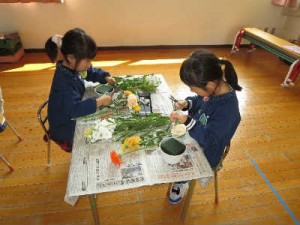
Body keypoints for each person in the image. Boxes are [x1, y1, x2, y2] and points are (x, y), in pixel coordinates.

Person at [168, 49, 242, 204]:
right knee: (167, 143)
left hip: (208, 150)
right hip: (196, 133)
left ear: (209, 85)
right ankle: (180, 175)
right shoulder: (213, 89)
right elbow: (200, 100)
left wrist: (188, 121)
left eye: (192, 87)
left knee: (177, 157)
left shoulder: (227, 110)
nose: (191, 90)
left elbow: (210, 139)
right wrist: (188, 103)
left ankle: (183, 181)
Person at [45, 28, 115, 152]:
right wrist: (99, 101)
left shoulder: (72, 65)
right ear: (71, 57)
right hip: (65, 130)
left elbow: (89, 71)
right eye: (87, 60)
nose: (89, 64)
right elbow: (74, 110)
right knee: (95, 142)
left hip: (72, 111)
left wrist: (104, 76)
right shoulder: (63, 83)